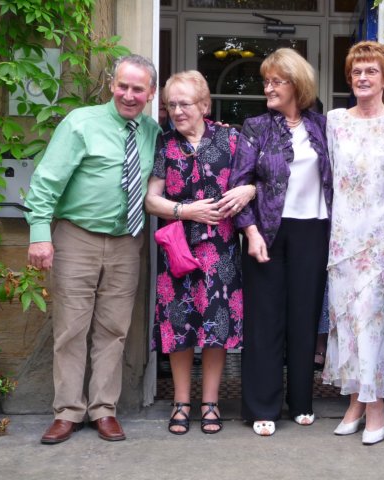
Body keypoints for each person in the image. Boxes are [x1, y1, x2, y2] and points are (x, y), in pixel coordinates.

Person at [25, 54, 160, 444]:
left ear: (151, 93)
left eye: (138, 89)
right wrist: (39, 233)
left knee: (114, 329)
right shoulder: (80, 123)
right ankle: (67, 411)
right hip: (77, 237)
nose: (129, 95)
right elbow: (47, 180)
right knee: (71, 328)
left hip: (127, 241)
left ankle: (104, 410)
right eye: (123, 86)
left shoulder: (152, 132)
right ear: (112, 84)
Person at [229, 48, 332, 436]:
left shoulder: (322, 126)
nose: (268, 88)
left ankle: (302, 401)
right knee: (265, 320)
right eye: (266, 81)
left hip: (313, 230)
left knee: (305, 318)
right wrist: (250, 232)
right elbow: (238, 182)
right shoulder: (255, 127)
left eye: (276, 81)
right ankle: (262, 406)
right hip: (267, 232)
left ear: (297, 85)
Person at [145, 70, 253, 435]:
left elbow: (256, 177)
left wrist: (250, 190)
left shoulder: (231, 139)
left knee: (216, 326)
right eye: (171, 104)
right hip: (178, 249)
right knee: (178, 325)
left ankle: (210, 402)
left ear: (204, 105)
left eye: (185, 104)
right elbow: (151, 199)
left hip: (220, 250)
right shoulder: (165, 144)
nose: (177, 111)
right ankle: (181, 402)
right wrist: (186, 211)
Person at [321, 41, 384, 446]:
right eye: (356, 71)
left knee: (373, 323)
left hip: (381, 241)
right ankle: (355, 401)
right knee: (346, 323)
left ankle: (377, 405)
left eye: (371, 71)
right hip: (342, 240)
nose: (362, 77)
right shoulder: (334, 121)